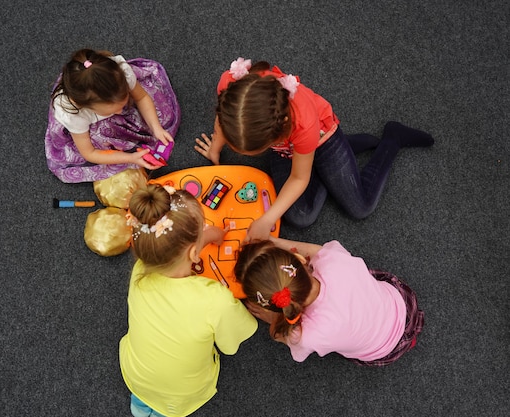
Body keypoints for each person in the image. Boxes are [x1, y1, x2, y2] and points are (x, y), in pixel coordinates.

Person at [195, 57, 434, 240]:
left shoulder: (303, 121)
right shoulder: (231, 86)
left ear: (276, 135)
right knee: (300, 216)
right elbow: (223, 119)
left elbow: (300, 178)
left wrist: (267, 218)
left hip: (321, 139)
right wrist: (216, 147)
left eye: (249, 152)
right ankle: (342, 155)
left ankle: (392, 139)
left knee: (361, 207)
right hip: (289, 150)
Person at [120, 184, 257, 417]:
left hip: (136, 377)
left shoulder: (140, 270)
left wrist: (206, 237)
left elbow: (174, 249)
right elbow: (230, 346)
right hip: (181, 394)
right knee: (170, 405)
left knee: (146, 399)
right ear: (195, 254)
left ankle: (142, 407)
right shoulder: (216, 300)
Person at [234, 237, 424, 366]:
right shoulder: (333, 261)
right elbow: (316, 251)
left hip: (383, 350)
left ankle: (407, 340)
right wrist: (274, 241)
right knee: (358, 273)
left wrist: (272, 319)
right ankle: (409, 336)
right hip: (403, 304)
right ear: (300, 258)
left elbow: (281, 336)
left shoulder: (305, 335)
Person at [45, 49, 180, 183]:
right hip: (83, 127)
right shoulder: (74, 114)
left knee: (160, 115)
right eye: (112, 111)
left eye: (123, 103)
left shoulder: (121, 75)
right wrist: (130, 158)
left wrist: (156, 127)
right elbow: (90, 153)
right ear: (85, 106)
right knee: (102, 143)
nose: (120, 113)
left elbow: (142, 97)